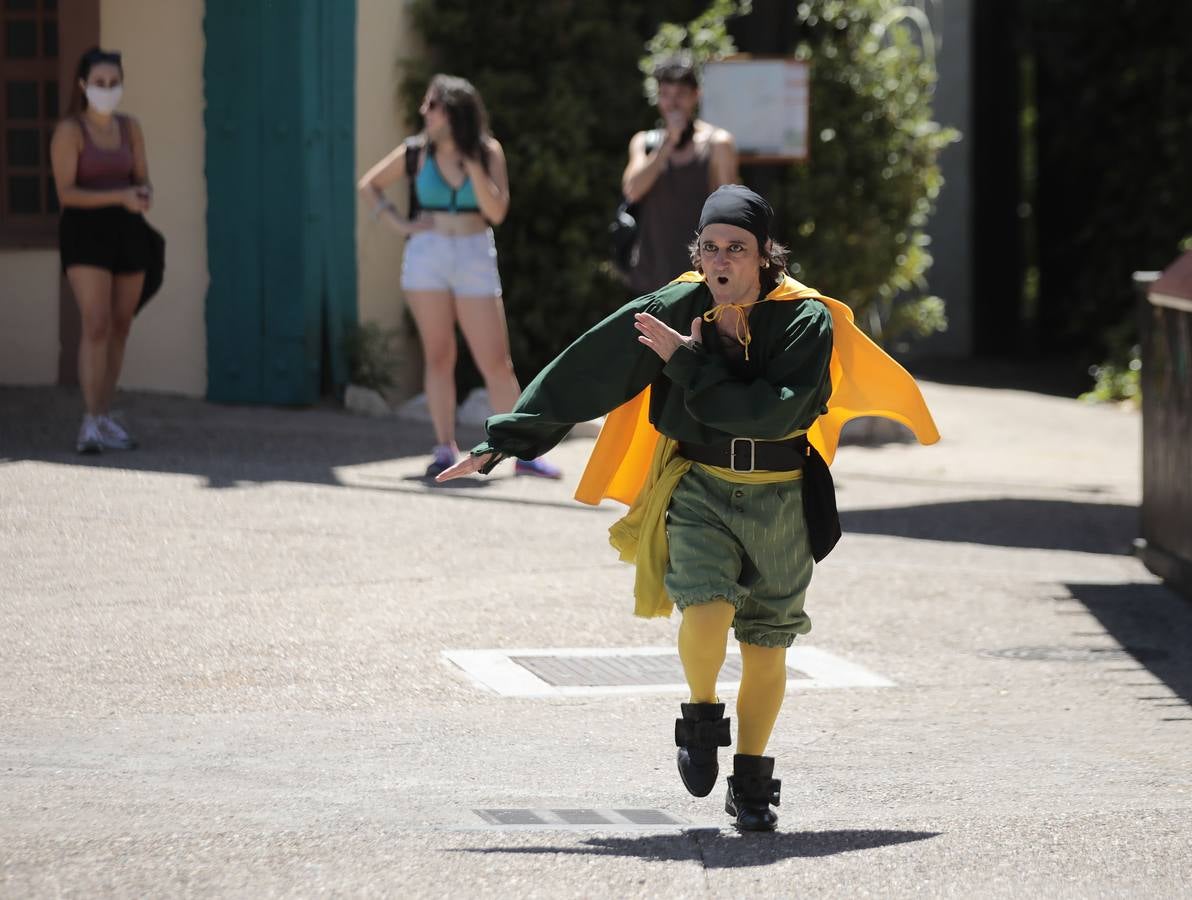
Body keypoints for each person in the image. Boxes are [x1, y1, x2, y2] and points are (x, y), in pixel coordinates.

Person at [437, 185, 940, 831]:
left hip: (783, 497)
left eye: (738, 248)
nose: (722, 259)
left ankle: (753, 781)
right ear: (698, 256)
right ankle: (702, 720)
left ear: (765, 256)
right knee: (705, 606)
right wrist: (501, 442)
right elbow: (587, 367)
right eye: (711, 247)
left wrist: (688, 361)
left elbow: (773, 412)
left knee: (767, 642)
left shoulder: (806, 319)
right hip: (700, 486)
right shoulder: (677, 304)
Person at [357, 74, 560, 480]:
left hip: (473, 253)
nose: (423, 112)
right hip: (426, 255)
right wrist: (400, 223)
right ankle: (443, 446)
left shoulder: (487, 152)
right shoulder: (414, 152)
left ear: (453, 112)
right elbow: (370, 185)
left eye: (431, 105)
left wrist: (469, 163)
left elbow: (497, 212)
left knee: (496, 361)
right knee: (438, 354)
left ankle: (523, 451)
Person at [51, 47, 153, 454]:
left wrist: (143, 195)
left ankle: (105, 414)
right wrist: (120, 195)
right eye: (99, 83)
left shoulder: (131, 128)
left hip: (128, 230)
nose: (107, 90)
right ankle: (89, 421)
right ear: (83, 85)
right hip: (85, 233)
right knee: (94, 323)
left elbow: (143, 178)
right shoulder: (70, 131)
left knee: (120, 324)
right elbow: (66, 193)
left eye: (114, 83)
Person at [621, 57, 739, 297]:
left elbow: (731, 211)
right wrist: (666, 146)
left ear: (696, 95)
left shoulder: (718, 144)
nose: (672, 103)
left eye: (681, 95)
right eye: (665, 95)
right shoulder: (645, 143)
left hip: (702, 280)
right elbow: (632, 191)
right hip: (650, 277)